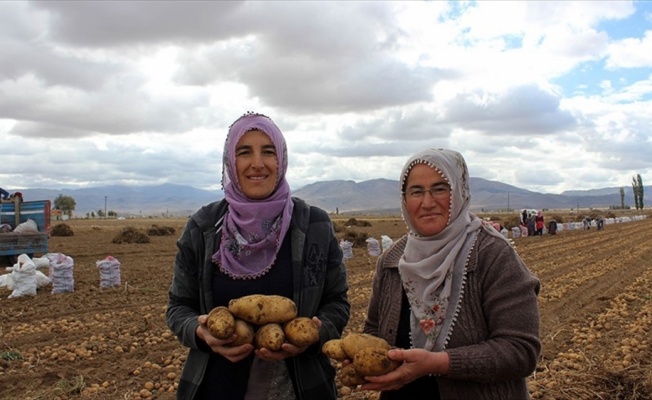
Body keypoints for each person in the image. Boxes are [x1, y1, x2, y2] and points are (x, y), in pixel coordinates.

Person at [166, 112, 350, 400]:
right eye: (244, 152)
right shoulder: (202, 227)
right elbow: (178, 307)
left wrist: (314, 335)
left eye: (268, 151)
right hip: (216, 388)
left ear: (281, 160)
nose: (257, 163)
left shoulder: (314, 225)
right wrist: (203, 334)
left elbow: (336, 302)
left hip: (300, 389)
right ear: (230, 161)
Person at [363, 148, 541, 399]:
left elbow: (521, 351)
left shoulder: (492, 254)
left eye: (439, 188)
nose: (427, 202)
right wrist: (363, 357)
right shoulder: (393, 260)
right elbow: (373, 330)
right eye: (416, 191)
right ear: (404, 199)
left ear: (459, 191)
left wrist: (439, 363)